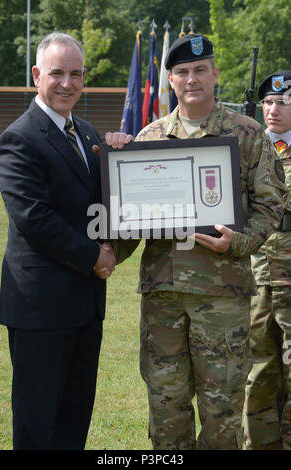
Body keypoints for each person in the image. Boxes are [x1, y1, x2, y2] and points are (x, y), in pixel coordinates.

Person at [117, 33, 288, 450]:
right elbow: (127, 219)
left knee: (222, 411)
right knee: (166, 406)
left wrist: (239, 241)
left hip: (223, 298)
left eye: (199, 70)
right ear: (171, 80)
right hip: (164, 299)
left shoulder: (247, 135)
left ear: (214, 73)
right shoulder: (149, 139)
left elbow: (271, 205)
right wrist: (102, 250)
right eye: (181, 72)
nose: (191, 79)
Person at [0, 32, 132, 450]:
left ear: (84, 78)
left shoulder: (87, 132)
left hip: (85, 305)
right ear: (37, 75)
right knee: (38, 425)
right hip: (41, 308)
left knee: (74, 419)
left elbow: (100, 204)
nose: (67, 83)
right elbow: (35, 219)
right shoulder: (19, 138)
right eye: (57, 73)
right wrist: (95, 256)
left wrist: (120, 160)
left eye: (75, 74)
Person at [244, 71, 291, 450]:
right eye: (268, 103)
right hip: (257, 273)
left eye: (282, 102)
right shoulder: (248, 149)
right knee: (258, 367)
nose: (273, 110)